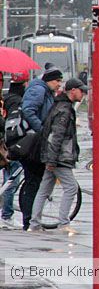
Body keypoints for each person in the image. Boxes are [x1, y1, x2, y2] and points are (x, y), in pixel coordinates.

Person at [29, 79, 86, 233]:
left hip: (53, 155)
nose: (84, 94)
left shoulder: (58, 105)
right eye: (82, 90)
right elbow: (56, 136)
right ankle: (63, 223)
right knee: (71, 187)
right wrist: (52, 160)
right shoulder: (64, 110)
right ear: (73, 90)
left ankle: (34, 224)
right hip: (60, 157)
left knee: (44, 188)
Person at [19, 68, 63, 230]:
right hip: (32, 143)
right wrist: (42, 129)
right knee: (33, 181)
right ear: (49, 80)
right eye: (57, 81)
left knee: (34, 181)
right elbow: (28, 110)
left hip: (36, 142)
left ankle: (30, 219)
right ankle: (29, 220)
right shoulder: (39, 90)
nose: (59, 84)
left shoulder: (45, 91)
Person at [1, 74, 28, 229]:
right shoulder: (17, 102)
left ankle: (5, 213)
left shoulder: (7, 98)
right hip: (12, 144)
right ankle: (7, 215)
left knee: (8, 178)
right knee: (12, 179)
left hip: (5, 143)